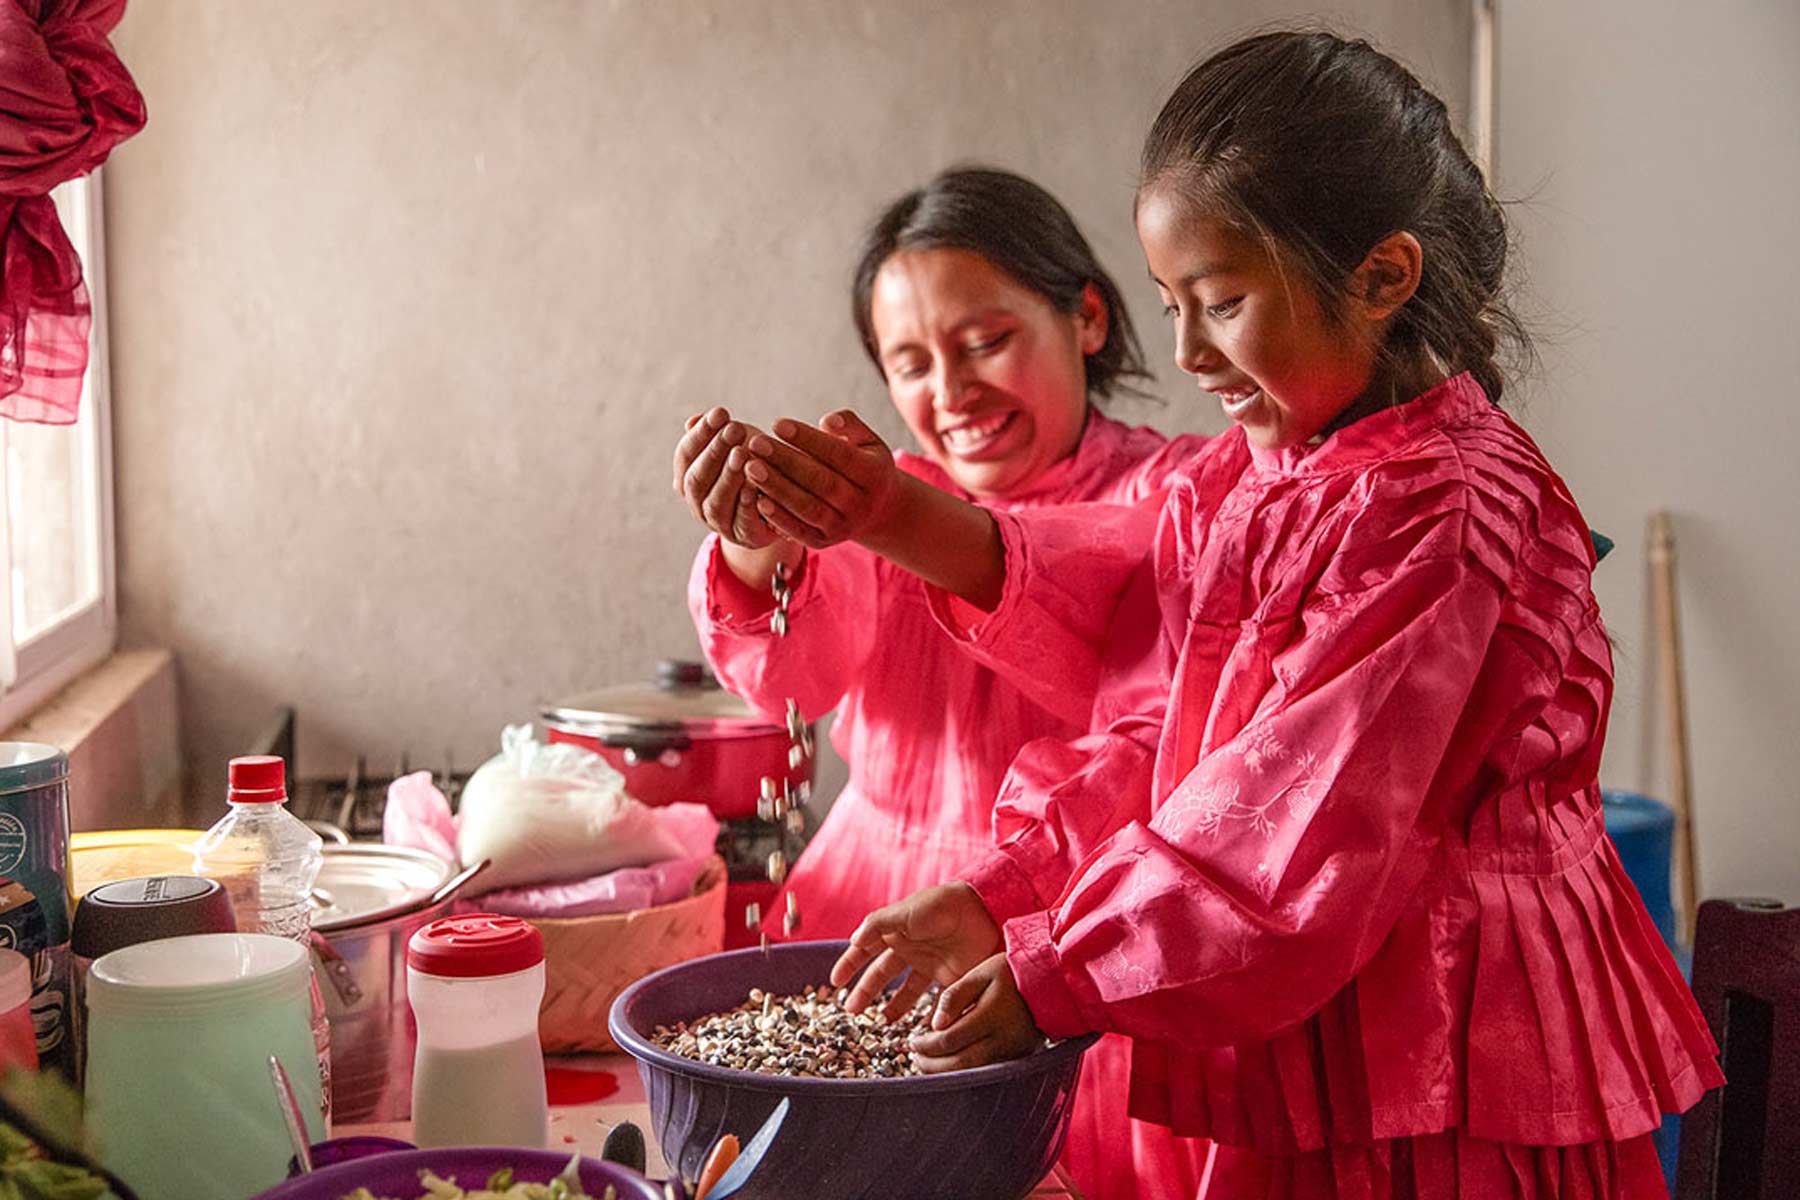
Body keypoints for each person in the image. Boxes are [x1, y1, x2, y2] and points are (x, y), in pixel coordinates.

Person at [757, 31, 1721, 1199]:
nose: (1186, 350)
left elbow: (1296, 840)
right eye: (1174, 303)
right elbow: (1174, 749)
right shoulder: (1257, 479)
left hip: (1440, 1056)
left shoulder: (1443, 515)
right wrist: (999, 896)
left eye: (1220, 302)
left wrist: (1053, 968)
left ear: (1382, 276)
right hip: (1319, 1034)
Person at [674, 168, 1225, 1200]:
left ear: (1089, 318)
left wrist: (886, 517)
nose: (952, 393)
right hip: (866, 924)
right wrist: (756, 551)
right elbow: (796, 681)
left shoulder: (1180, 490)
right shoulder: (883, 498)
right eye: (912, 362)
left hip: (1070, 939)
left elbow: (1115, 626)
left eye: (985, 343)